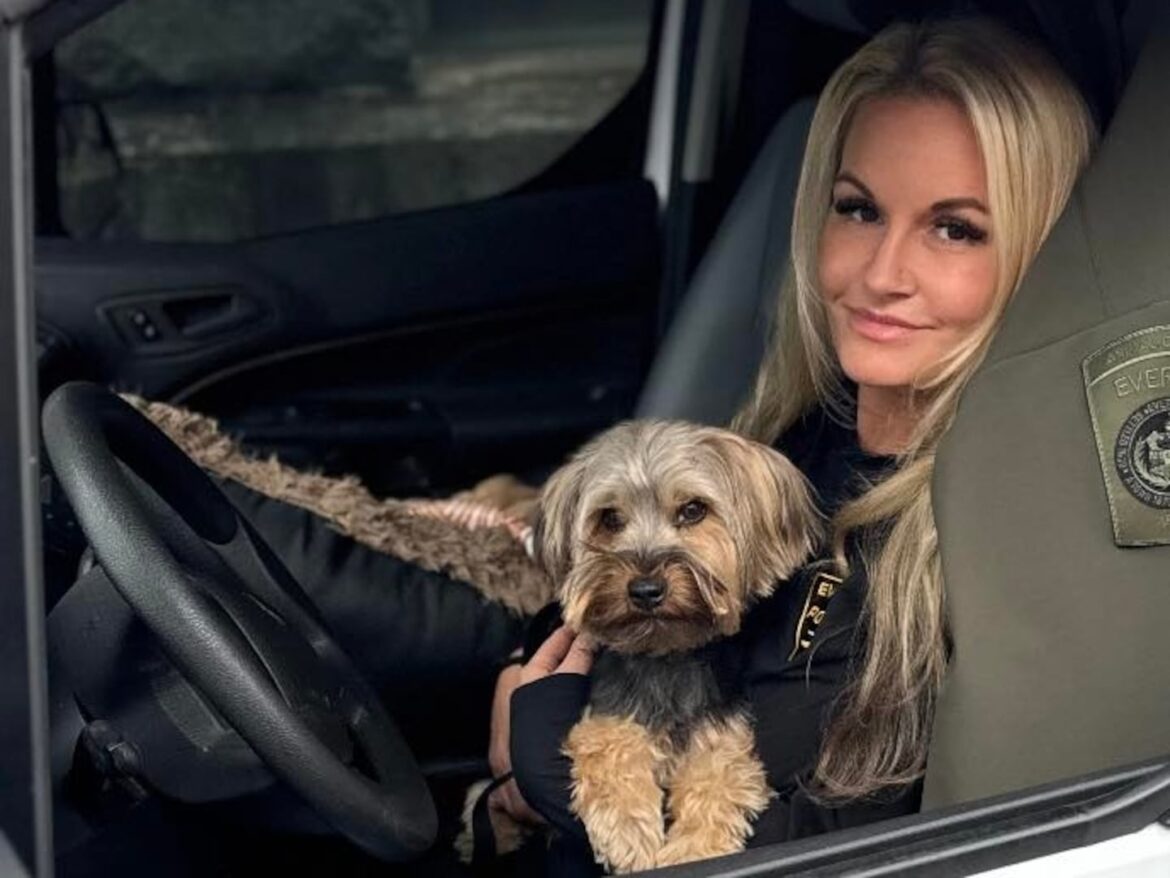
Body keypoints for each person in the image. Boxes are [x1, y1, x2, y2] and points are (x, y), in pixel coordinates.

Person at [488, 16, 1096, 874]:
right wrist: (524, 676)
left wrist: (550, 761)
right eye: (859, 210)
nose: (882, 273)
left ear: (1034, 251)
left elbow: (843, 851)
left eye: (954, 229)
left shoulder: (981, 542)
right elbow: (614, 573)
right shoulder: (802, 431)